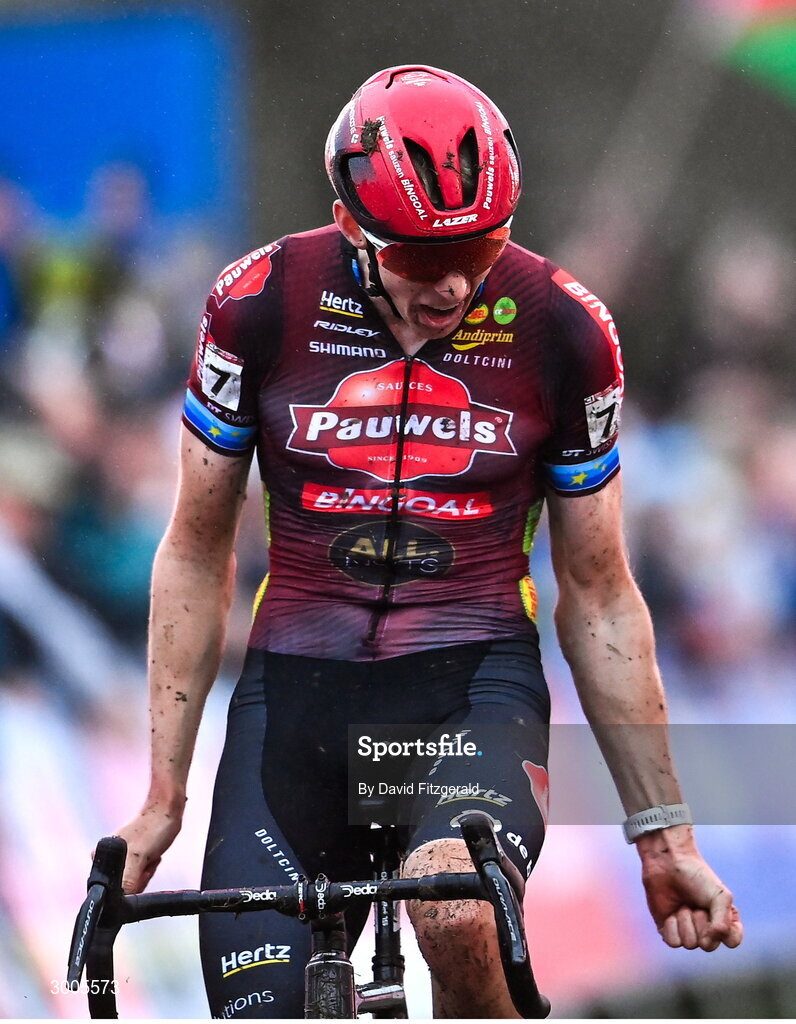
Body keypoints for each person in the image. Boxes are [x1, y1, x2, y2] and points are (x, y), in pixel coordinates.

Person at [117, 65, 743, 1019]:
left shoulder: (564, 328)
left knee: (457, 913)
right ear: (347, 221)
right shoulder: (258, 303)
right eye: (417, 257)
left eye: (481, 244)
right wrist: (164, 790)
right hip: (295, 696)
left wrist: (662, 834)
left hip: (469, 689)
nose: (452, 281)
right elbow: (195, 551)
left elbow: (603, 593)